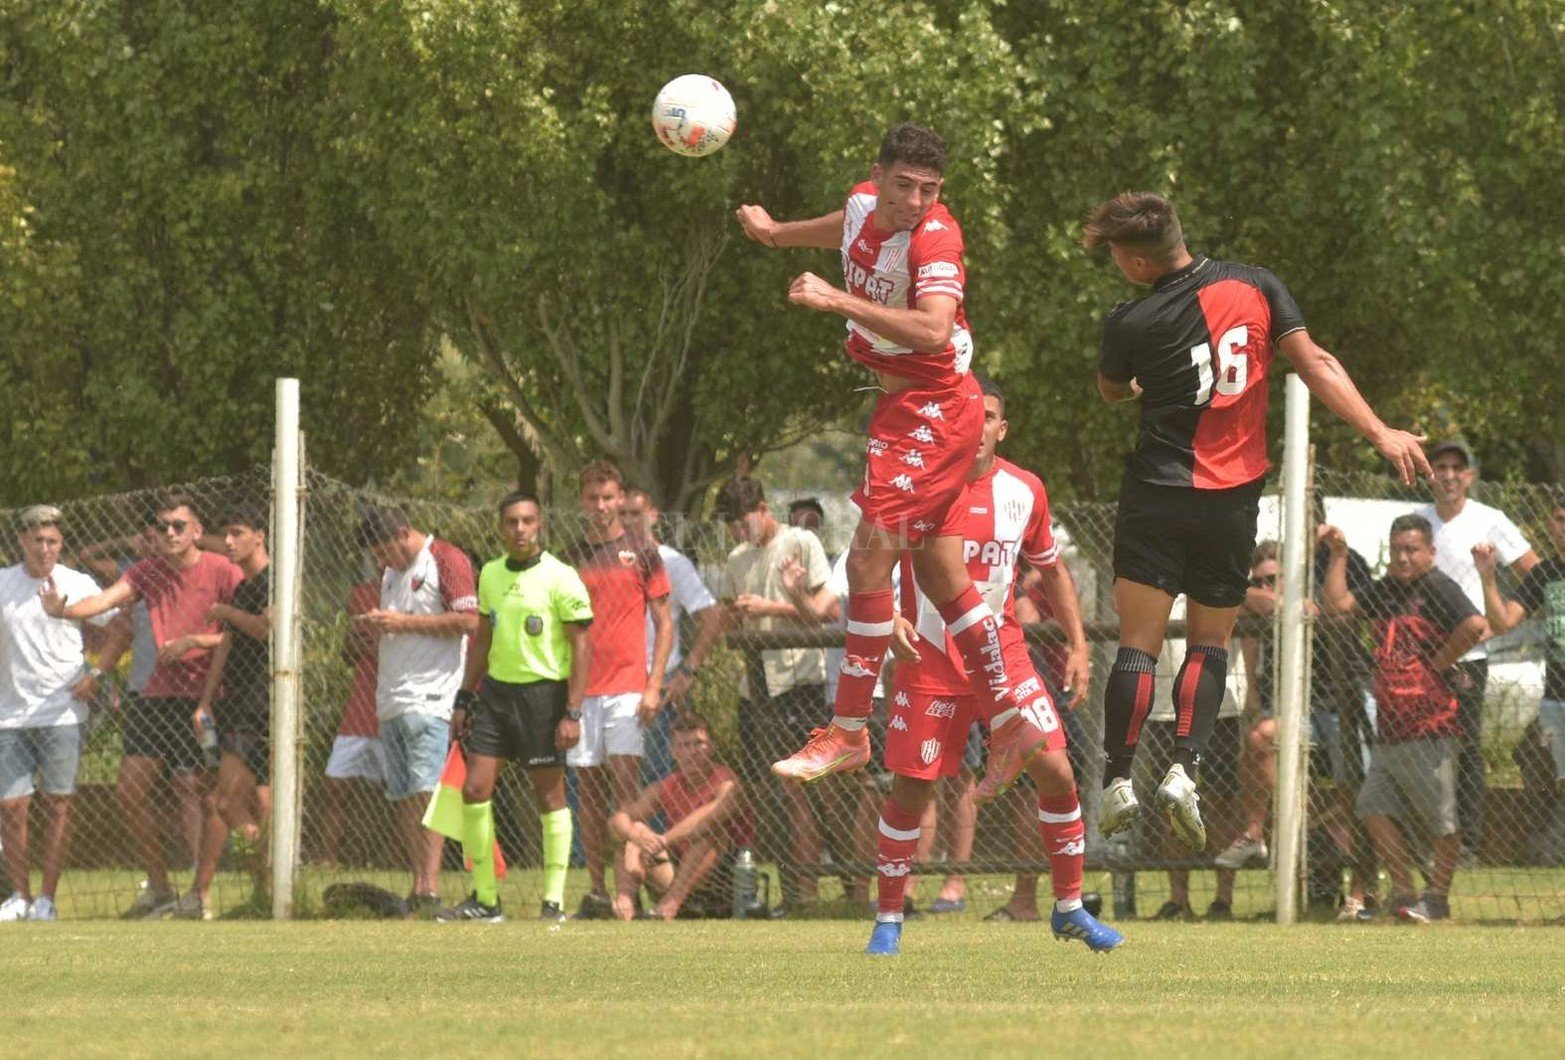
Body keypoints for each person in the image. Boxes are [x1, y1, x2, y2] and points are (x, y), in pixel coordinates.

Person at [1084, 191, 1430, 852]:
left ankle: (1117, 778)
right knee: (1211, 641)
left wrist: (1134, 387)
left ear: (1132, 260)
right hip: (1231, 498)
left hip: (1157, 492)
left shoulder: (1128, 319)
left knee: (1138, 644)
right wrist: (1379, 431)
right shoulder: (1257, 285)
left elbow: (1109, 390)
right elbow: (1315, 364)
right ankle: (1184, 769)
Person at [737, 123, 1056, 789]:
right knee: (941, 572)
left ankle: (849, 730)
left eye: (929, 189)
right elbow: (846, 228)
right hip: (906, 409)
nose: (915, 200)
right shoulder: (862, 203)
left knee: (867, 556)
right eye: (904, 185)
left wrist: (834, 299)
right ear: (876, 175)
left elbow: (935, 328)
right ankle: (1011, 725)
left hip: (935, 408)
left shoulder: (936, 236)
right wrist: (775, 235)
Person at [865, 378, 1119, 956]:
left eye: (990, 417)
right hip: (931, 655)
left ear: (1002, 428)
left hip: (1003, 655)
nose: (977, 426)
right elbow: (874, 556)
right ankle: (887, 920)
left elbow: (1052, 569)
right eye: (968, 415)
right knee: (912, 790)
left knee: (1056, 771)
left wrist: (1078, 645)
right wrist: (892, 615)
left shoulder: (1025, 489)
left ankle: (1070, 908)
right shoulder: (920, 483)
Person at [42, 493, 243, 918]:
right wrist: (64, 611)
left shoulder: (222, 570)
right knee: (129, 789)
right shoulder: (147, 572)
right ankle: (159, 885)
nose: (169, 533)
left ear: (197, 532)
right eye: (163, 525)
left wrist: (194, 642)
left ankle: (200, 893)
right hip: (154, 696)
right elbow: (105, 601)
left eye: (178, 526)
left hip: (204, 698)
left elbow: (245, 631)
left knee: (210, 797)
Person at [1321, 515, 1487, 923]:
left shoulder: (1439, 588)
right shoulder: (1387, 590)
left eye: (1412, 549)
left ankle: (1438, 898)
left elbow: (1476, 624)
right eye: (1397, 550)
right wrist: (1339, 555)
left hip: (1432, 726)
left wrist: (1439, 663)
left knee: (1441, 820)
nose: (1403, 557)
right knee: (1372, 807)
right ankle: (1406, 890)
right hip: (1390, 729)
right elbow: (1337, 607)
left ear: (1430, 551)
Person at [438, 492, 593, 923]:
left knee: (548, 796)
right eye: (511, 522)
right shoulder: (488, 574)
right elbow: (483, 640)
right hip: (497, 697)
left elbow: (582, 647)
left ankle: (554, 903)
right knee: (474, 790)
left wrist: (572, 711)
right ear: (500, 527)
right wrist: (465, 696)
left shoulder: (562, 577)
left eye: (527, 521)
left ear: (539, 525)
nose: (520, 529)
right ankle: (486, 901)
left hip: (544, 697)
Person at [717, 475, 838, 910]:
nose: (740, 534)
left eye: (744, 523)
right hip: (755, 692)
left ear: (764, 508)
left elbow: (829, 612)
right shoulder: (735, 559)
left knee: (806, 790)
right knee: (764, 793)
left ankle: (809, 892)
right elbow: (731, 619)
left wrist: (772, 607)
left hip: (798, 685)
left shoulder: (801, 542)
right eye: (732, 528)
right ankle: (779, 892)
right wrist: (733, 618)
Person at [1414, 440, 1538, 861]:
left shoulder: (1490, 520)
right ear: (1430, 474)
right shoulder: (1418, 523)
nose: (1448, 475)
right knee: (1419, 749)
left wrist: (1503, 619)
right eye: (1440, 467)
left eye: (1456, 468)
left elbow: (1535, 574)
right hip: (1421, 657)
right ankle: (1427, 839)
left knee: (1463, 748)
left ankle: (1466, 841)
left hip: (1469, 657)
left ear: (1469, 476)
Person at [560, 461, 673, 919]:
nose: (601, 506)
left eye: (608, 497)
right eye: (592, 497)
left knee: (626, 793)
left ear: (621, 498)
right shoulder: (570, 555)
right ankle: (597, 891)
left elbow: (665, 623)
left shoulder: (643, 552)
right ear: (581, 500)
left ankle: (628, 891)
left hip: (628, 688)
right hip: (582, 693)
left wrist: (653, 686)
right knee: (587, 794)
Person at [356, 506, 479, 916]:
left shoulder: (445, 557)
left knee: (428, 791)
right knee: (406, 794)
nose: (381, 562)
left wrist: (402, 623)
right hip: (392, 697)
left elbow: (468, 621)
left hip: (431, 697)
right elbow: (402, 621)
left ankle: (431, 888)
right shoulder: (392, 574)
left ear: (403, 532)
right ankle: (418, 884)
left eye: (383, 552)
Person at [0, 506, 118, 921]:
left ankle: (46, 900)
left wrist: (97, 674)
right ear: (22, 542)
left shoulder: (77, 583)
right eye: (37, 541)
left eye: (52, 541)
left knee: (58, 805)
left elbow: (121, 626)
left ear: (60, 543)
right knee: (12, 807)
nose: (45, 548)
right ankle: (19, 895)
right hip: (10, 714)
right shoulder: (3, 584)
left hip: (63, 712)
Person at [185, 507, 272, 918]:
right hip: (236, 703)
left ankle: (272, 873)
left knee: (226, 801)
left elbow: (263, 628)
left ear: (261, 535)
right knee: (246, 802)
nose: (231, 542)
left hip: (263, 705)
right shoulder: (244, 587)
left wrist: (224, 613)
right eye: (226, 535)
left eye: (238, 533)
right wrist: (205, 700)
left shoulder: (275, 581)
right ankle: (271, 876)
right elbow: (229, 643)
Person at [1473, 492, 1565, 863]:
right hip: (1556, 699)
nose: (1564, 528)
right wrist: (1489, 578)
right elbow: (1504, 622)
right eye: (1559, 519)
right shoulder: (1544, 574)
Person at [610, 711, 755, 920]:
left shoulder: (727, 782)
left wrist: (665, 840)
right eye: (683, 746)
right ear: (673, 752)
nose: (692, 752)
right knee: (632, 834)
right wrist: (637, 835)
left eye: (698, 744)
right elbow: (618, 819)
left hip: (722, 877)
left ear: (711, 748)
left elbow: (710, 816)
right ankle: (625, 905)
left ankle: (671, 904)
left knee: (710, 834)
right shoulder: (668, 785)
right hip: (677, 870)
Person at [623, 487, 724, 782]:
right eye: (623, 514)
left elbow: (712, 616)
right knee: (616, 774)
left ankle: (658, 830)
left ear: (653, 515)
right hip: (618, 680)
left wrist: (688, 669)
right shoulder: (610, 561)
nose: (629, 521)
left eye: (636, 514)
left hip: (660, 680)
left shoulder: (672, 562)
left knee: (656, 774)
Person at [318, 579, 388, 867]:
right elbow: (348, 653)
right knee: (335, 786)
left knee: (404, 794)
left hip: (394, 706)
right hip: (359, 710)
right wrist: (354, 644)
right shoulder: (361, 594)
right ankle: (327, 859)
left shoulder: (416, 586)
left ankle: (397, 864)